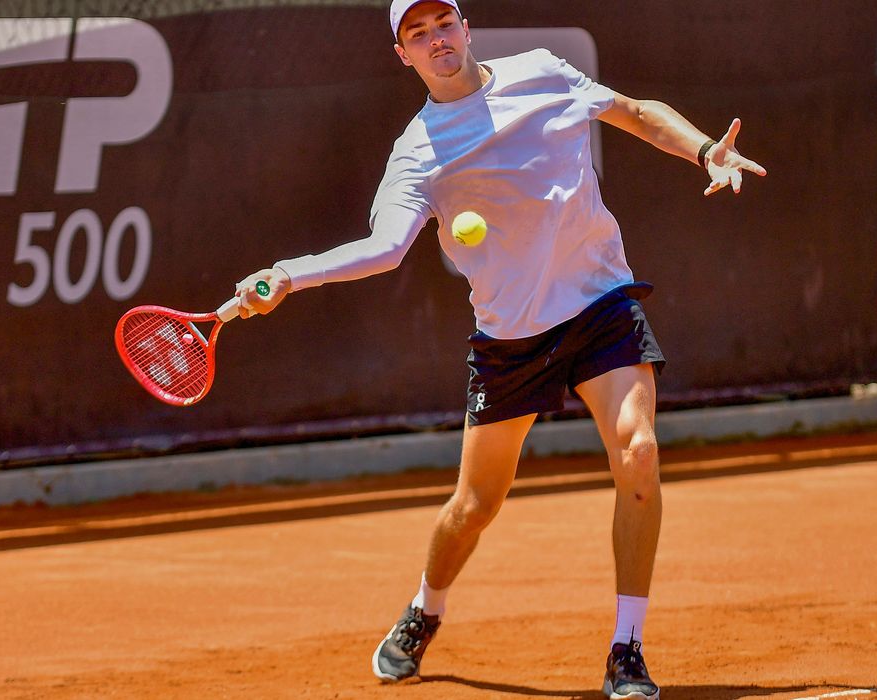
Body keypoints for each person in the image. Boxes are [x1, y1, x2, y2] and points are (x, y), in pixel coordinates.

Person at [232, 1, 766, 698]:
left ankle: (627, 648)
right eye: (417, 34)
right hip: (511, 337)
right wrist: (290, 274)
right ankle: (426, 606)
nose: (435, 40)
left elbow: (635, 113)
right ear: (403, 55)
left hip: (600, 305)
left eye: (443, 24)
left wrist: (704, 149)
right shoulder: (417, 150)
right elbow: (384, 249)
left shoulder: (543, 73)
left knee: (638, 451)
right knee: (476, 504)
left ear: (465, 28)